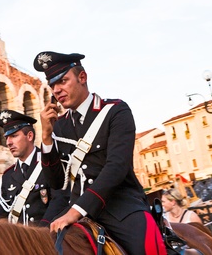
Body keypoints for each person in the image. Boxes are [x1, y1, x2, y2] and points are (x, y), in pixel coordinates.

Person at [34, 51, 166, 254]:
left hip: (120, 208)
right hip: (74, 211)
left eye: (63, 81)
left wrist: (76, 211)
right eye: (53, 85)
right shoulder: (59, 127)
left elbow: (117, 166)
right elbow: (57, 183)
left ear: (82, 77)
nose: (57, 90)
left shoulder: (115, 111)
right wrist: (46, 138)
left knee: (147, 247)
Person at [0, 109, 69, 227]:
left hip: (47, 237)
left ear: (29, 136)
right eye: (7, 137)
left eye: (14, 136)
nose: (8, 142)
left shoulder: (50, 164)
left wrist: (40, 233)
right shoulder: (8, 176)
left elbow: (60, 200)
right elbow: (1, 215)